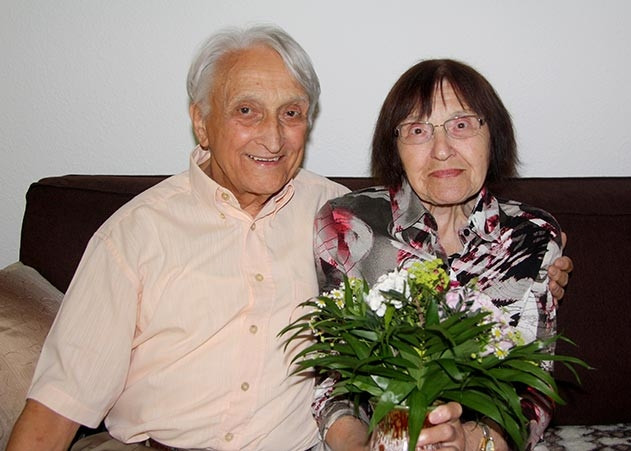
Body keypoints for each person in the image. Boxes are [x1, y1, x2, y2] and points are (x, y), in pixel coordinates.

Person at [7, 27, 571, 451]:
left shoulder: (339, 216)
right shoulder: (135, 235)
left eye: (292, 112)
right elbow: (56, 410)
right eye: (245, 110)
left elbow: (515, 358)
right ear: (201, 122)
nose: (272, 137)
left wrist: (536, 268)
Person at [314, 59, 566, 451]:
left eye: (461, 125)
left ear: (493, 136)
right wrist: (362, 447)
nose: (442, 150)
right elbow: (333, 376)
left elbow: (534, 386)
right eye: (418, 130)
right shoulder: (351, 224)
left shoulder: (529, 237)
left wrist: (477, 441)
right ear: (394, 149)